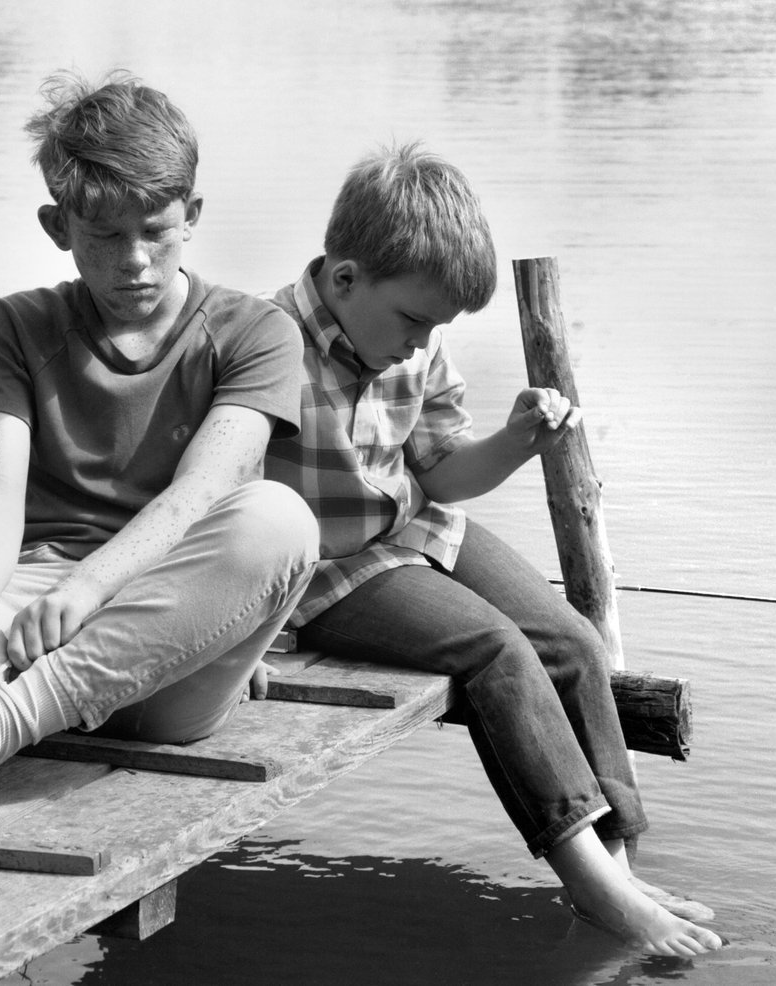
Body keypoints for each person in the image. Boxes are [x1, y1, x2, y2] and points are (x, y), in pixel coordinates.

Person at [0, 72, 318, 811]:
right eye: (105, 236)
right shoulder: (14, 327)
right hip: (33, 609)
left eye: (156, 231)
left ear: (192, 215)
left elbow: (199, 494)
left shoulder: (257, 333)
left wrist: (89, 589)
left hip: (167, 646)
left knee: (279, 518)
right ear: (58, 228)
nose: (135, 260)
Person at [260, 143, 724, 958]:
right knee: (496, 652)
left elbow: (442, 473)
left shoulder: (415, 346)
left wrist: (516, 440)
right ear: (344, 280)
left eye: (436, 326)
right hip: (328, 572)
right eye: (414, 320)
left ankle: (616, 869)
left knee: (575, 644)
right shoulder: (264, 344)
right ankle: (588, 885)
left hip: (415, 528)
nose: (422, 341)